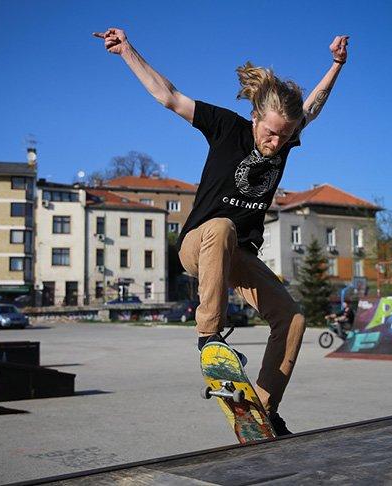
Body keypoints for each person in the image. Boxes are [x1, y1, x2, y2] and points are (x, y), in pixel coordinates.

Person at [93, 27, 348, 435]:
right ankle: (209, 337)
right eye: (269, 131)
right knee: (222, 227)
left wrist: (335, 66)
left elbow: (311, 108)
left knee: (292, 318)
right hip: (199, 243)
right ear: (254, 117)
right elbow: (169, 96)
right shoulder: (226, 126)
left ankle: (263, 410)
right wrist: (127, 51)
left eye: (284, 135)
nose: (275, 142)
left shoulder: (286, 136)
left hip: (239, 256)